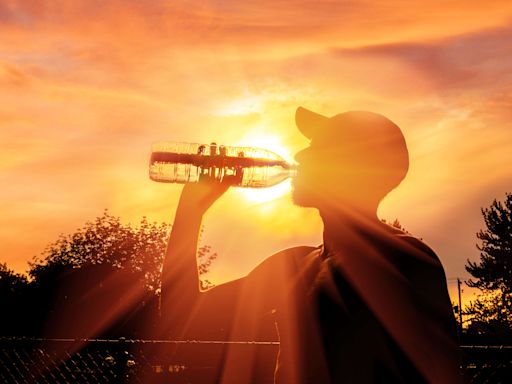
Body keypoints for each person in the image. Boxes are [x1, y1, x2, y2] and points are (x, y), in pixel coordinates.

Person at [159, 107, 462, 383]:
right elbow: (183, 316)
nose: (301, 156)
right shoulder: (295, 266)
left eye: (320, 149)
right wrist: (191, 210)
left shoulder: (403, 261)